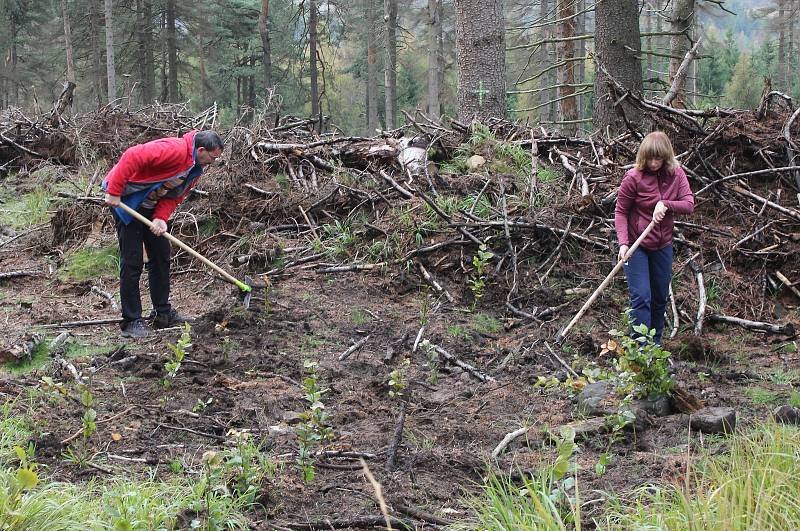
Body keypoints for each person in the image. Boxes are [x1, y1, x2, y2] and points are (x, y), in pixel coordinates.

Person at [103, 130, 224, 338]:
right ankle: (131, 321)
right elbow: (132, 155)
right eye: (212, 158)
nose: (213, 162)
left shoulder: (195, 169)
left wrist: (160, 217)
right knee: (132, 261)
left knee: (160, 256)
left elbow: (174, 195)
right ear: (201, 150)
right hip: (126, 200)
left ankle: (162, 313)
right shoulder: (175, 150)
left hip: (150, 205)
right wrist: (114, 191)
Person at [614, 131, 694, 346]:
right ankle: (641, 350)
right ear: (643, 156)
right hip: (635, 245)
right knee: (641, 296)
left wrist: (666, 204)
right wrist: (623, 243)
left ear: (666, 157)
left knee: (659, 296)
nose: (654, 163)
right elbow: (620, 212)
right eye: (650, 158)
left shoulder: (676, 175)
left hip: (662, 245)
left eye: (658, 158)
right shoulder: (633, 178)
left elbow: (688, 204)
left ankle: (654, 346)